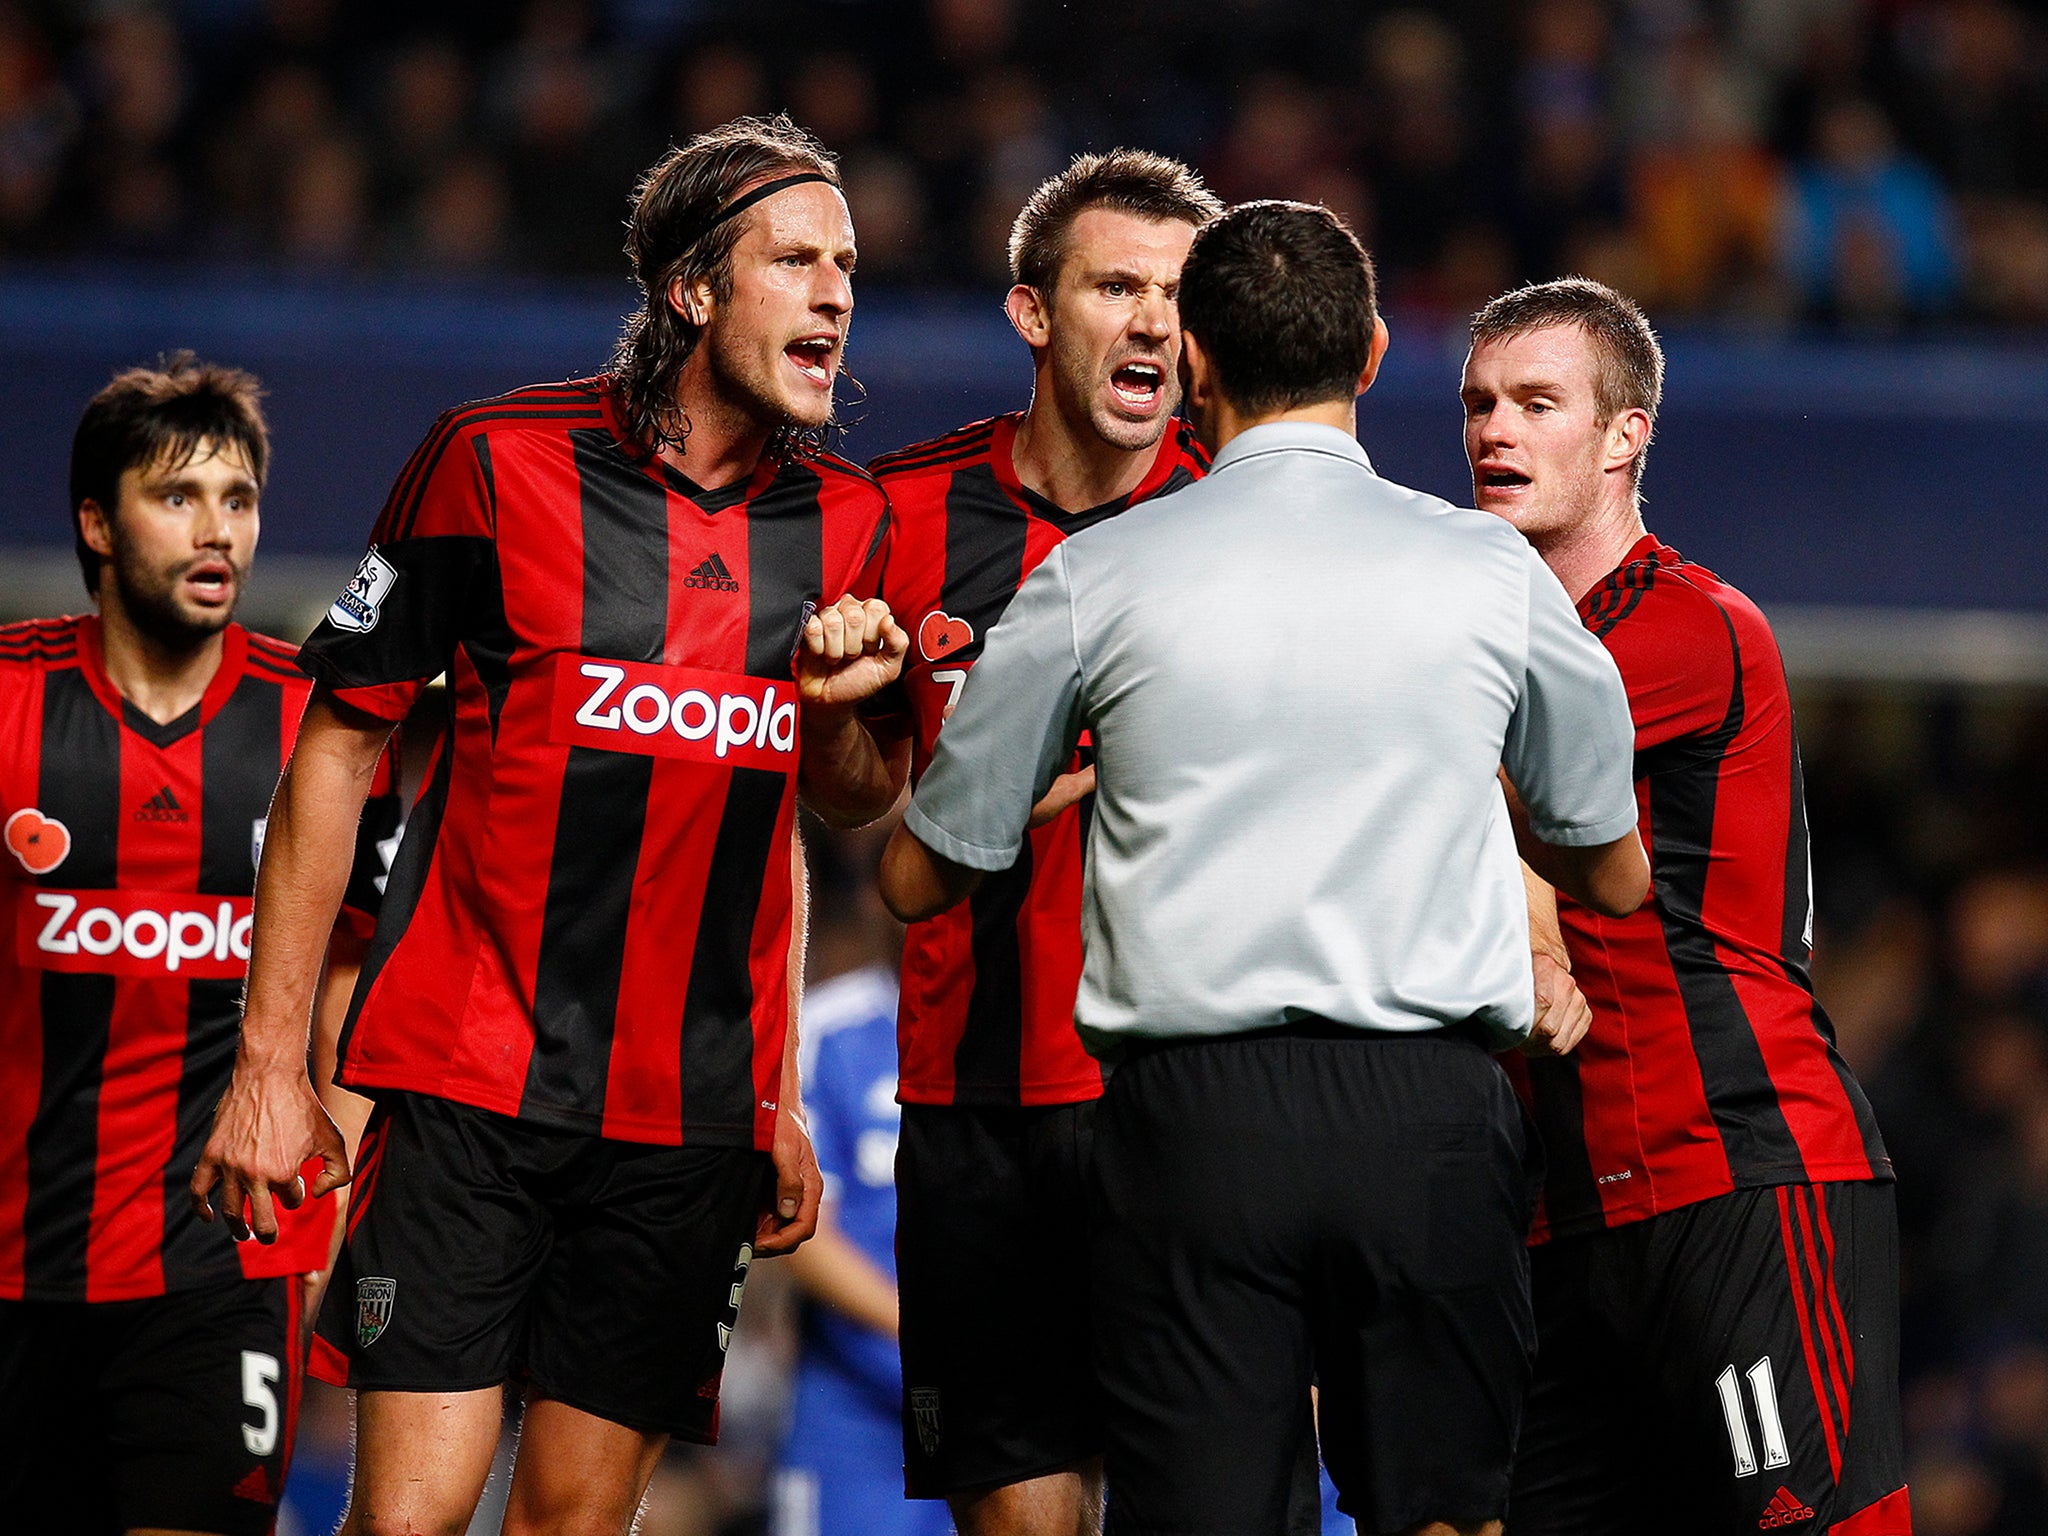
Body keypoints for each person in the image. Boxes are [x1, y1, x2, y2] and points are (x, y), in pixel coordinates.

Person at [879, 200, 1650, 1536]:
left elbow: (924, 875)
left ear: (1195, 362)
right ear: (1372, 353)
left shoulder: (1096, 576)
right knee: (1445, 1519)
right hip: (1429, 1112)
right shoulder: (1489, 569)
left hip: (1191, 1124)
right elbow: (1609, 869)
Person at [191, 115, 908, 1536]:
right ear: (691, 291)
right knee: (411, 1520)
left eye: (846, 267)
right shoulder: (492, 460)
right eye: (794, 261)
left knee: (576, 1525)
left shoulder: (851, 520)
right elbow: (335, 748)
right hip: (470, 1085)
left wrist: (772, 1090)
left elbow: (823, 804)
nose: (834, 294)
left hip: (688, 1119)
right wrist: (268, 1066)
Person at [1460, 278, 1912, 1536]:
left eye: (1535, 403)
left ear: (1624, 435)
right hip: (1562, 1212)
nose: (1494, 430)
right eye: (1479, 403)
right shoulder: (1479, 638)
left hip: (1734, 1178)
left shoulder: (1688, 625)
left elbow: (1470, 760)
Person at [865, 147, 1219, 1536]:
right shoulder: (895, 516)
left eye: (1178, 296)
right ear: (1031, 312)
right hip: (980, 1107)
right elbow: (836, 795)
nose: (1152, 322)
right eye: (1117, 287)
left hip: (1196, 1095)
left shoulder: (1242, 516)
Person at [0, 355, 397, 1535]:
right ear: (97, 524)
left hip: (221, 1268)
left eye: (238, 498)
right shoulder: (11, 701)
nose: (216, 528)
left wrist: (324, 1221)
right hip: (17, 1264)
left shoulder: (317, 727)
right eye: (176, 496)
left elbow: (353, 990)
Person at [773, 845, 951, 1536]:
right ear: (882, 896)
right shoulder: (828, 1030)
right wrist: (921, 1330)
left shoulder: (1013, 1036)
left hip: (999, 1403)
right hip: (855, 1411)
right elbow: (800, 1225)